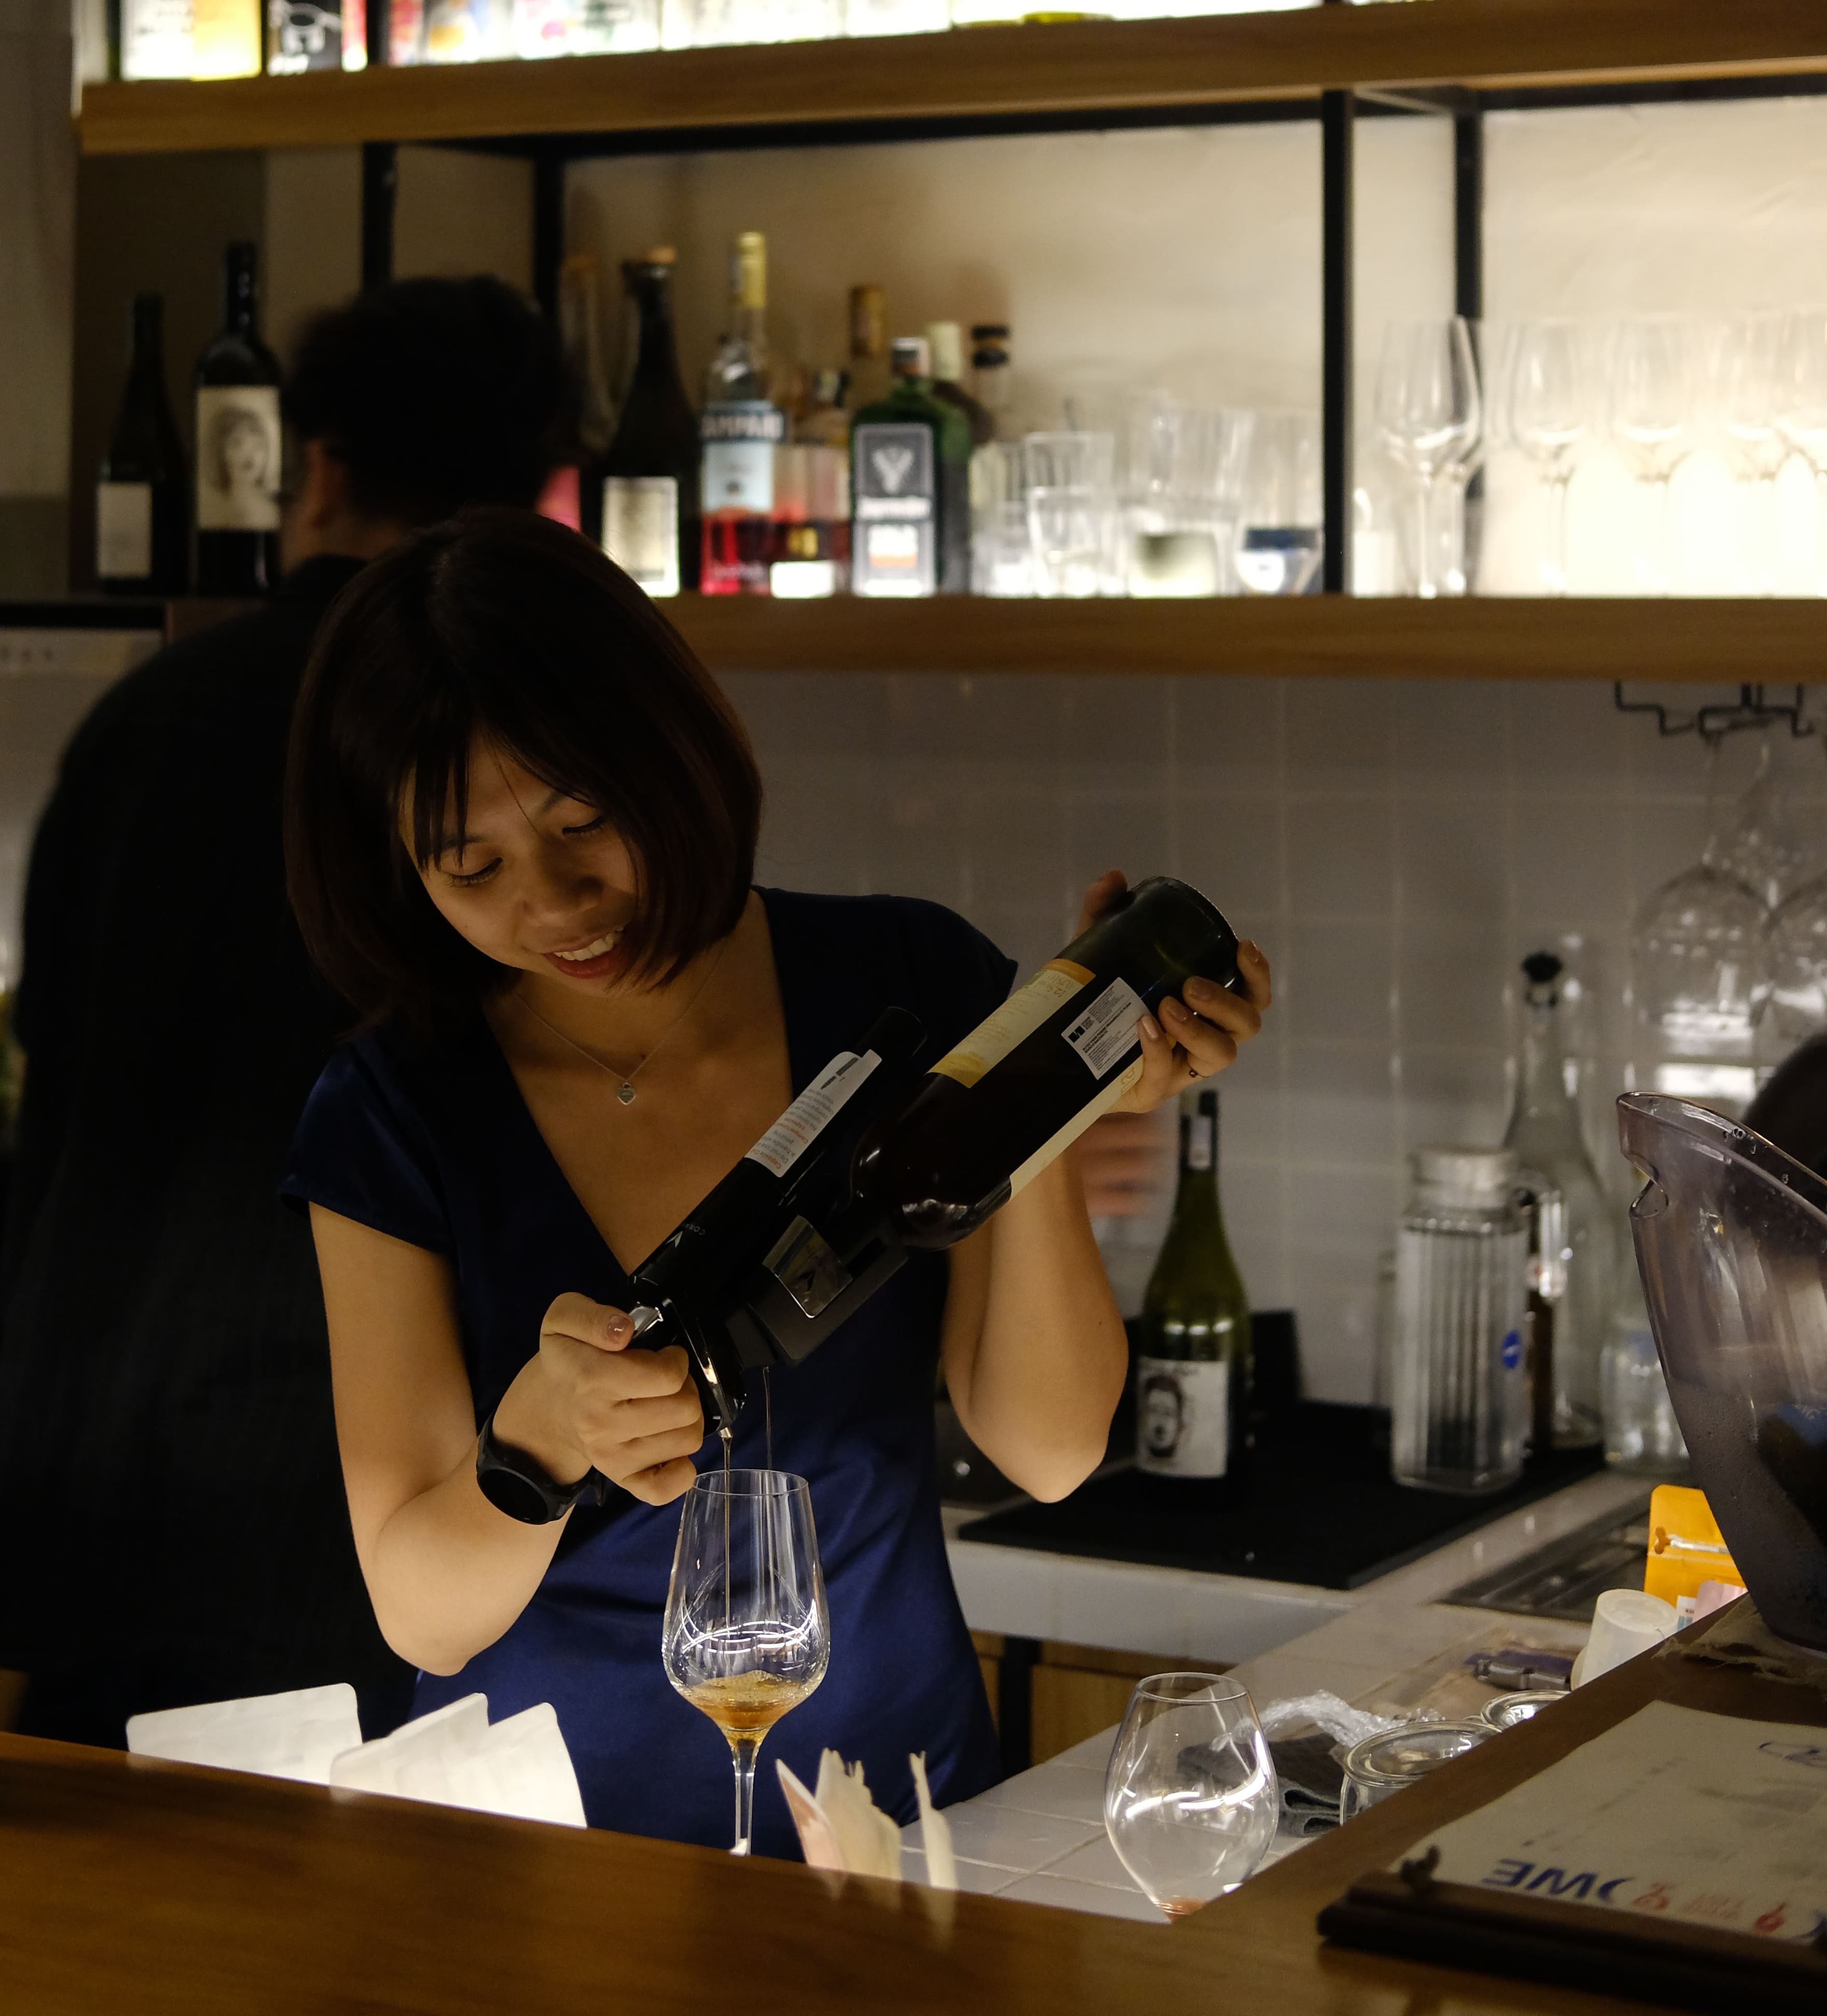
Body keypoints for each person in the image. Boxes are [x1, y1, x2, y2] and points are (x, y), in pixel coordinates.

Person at [282, 510, 1272, 1850]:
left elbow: (1046, 1449)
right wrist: (538, 1446)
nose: (560, 899)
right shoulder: (395, 1108)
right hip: (546, 1875)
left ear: (671, 757)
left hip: (892, 1839)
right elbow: (420, 1607)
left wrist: (1038, 1098)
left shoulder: (907, 986)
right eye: (476, 868)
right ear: (403, 871)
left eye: (588, 821)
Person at [0, 275, 568, 1747]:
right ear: (547, 496)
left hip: (88, 1475)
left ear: (318, 470)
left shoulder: (148, 718)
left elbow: (49, 1103)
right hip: (357, 1522)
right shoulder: (513, 758)